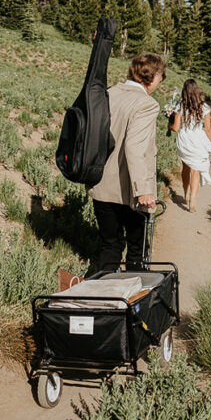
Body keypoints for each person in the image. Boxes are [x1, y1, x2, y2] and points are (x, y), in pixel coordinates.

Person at [88, 53, 166, 271]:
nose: (160, 83)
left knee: (109, 245)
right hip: (130, 192)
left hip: (101, 184)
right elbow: (134, 147)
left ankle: (103, 297)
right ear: (154, 76)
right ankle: (134, 301)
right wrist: (143, 190)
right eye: (161, 77)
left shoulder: (108, 94)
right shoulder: (146, 104)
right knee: (137, 249)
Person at [169, 79, 211, 212]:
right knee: (196, 170)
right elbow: (208, 129)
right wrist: (208, 145)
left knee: (186, 168)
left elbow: (176, 128)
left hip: (185, 139)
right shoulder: (204, 107)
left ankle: (186, 194)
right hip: (198, 139)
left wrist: (169, 125)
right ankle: (192, 201)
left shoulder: (180, 106)